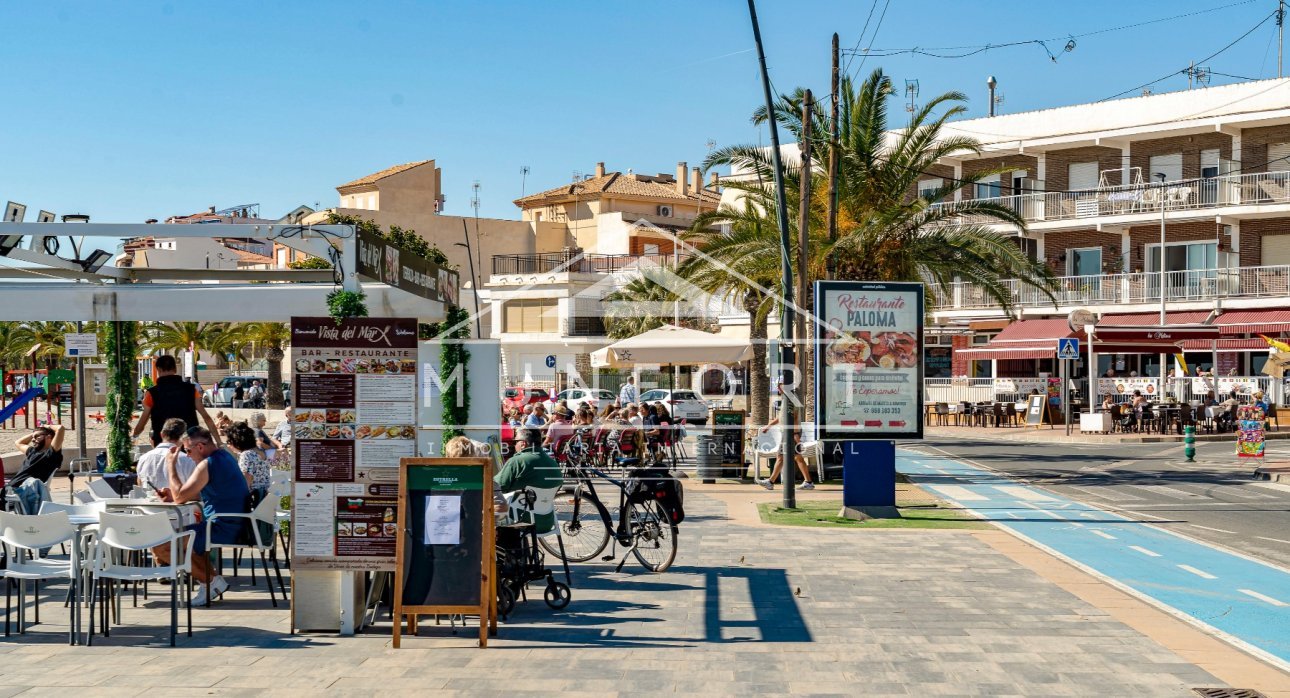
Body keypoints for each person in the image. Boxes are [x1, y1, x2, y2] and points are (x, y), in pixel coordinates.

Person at [153, 426, 250, 605]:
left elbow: (180, 497)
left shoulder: (207, 463)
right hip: (236, 523)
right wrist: (174, 495)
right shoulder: (225, 456)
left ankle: (210, 582)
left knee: (160, 547)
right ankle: (211, 582)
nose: (187, 455)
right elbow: (210, 491)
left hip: (221, 526)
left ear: (200, 447)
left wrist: (170, 465)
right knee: (185, 542)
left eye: (188, 450)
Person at [132, 355, 220, 447]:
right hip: (189, 446)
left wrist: (134, 436)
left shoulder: (151, 393)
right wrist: (219, 441)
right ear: (175, 369)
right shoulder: (191, 389)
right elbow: (206, 417)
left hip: (165, 446)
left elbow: (142, 423)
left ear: (158, 369)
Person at [495, 428, 564, 533]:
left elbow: (497, 486)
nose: (514, 445)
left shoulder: (517, 461)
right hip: (546, 521)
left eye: (515, 442)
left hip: (521, 520)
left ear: (523, 444)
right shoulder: (552, 463)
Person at [10, 424, 65, 512]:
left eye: (36, 437)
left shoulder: (51, 454)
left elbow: (60, 428)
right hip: (11, 489)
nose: (32, 439)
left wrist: (46, 426)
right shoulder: (32, 451)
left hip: (21, 491)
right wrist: (35, 434)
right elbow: (18, 443)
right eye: (33, 437)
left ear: (49, 437)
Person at [136, 418, 197, 492]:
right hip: (178, 502)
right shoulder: (189, 460)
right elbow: (195, 491)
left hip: (148, 502)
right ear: (184, 438)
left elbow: (140, 485)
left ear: (162, 434)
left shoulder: (143, 458)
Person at [756, 417, 815, 490]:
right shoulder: (785, 406)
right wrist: (769, 426)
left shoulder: (791, 405)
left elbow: (795, 417)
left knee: (794, 457)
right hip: (788, 432)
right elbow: (781, 416)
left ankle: (808, 482)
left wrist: (795, 434)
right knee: (782, 457)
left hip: (791, 432)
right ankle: (770, 482)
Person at [228, 421, 270, 497]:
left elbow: (245, 482)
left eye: (230, 442)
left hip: (253, 500)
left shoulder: (246, 455)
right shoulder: (260, 451)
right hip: (264, 498)